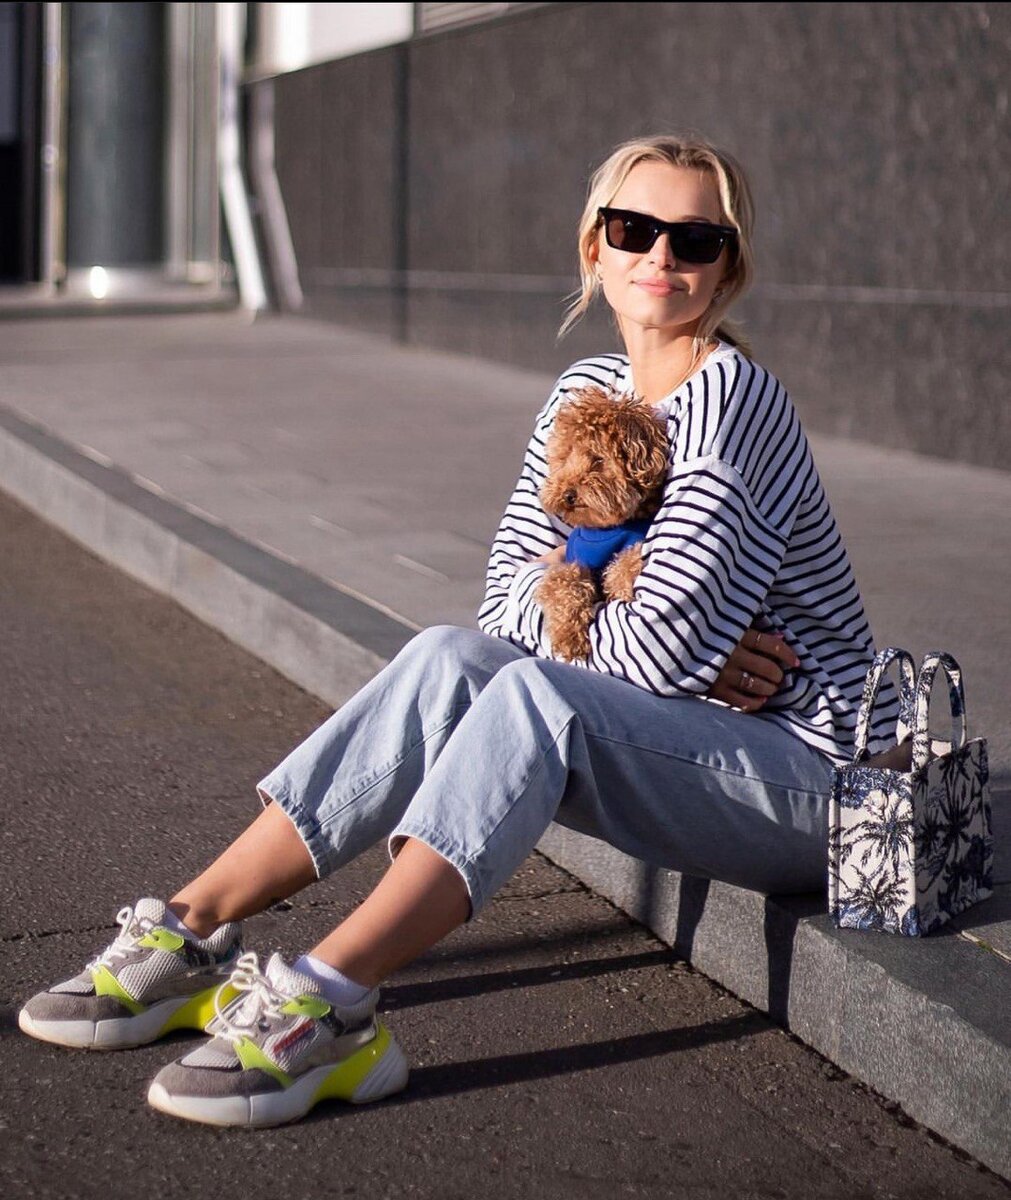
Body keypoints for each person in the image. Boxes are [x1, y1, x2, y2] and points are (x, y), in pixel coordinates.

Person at [18, 134, 897, 1129]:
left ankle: (332, 998)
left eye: (694, 237)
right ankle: (192, 928)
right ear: (594, 251)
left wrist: (639, 631)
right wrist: (663, 633)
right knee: (448, 657)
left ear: (728, 264)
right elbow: (506, 608)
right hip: (698, 736)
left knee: (534, 695)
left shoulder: (730, 400)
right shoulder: (581, 393)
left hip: (811, 776)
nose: (662, 254)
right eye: (634, 228)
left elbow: (630, 648)